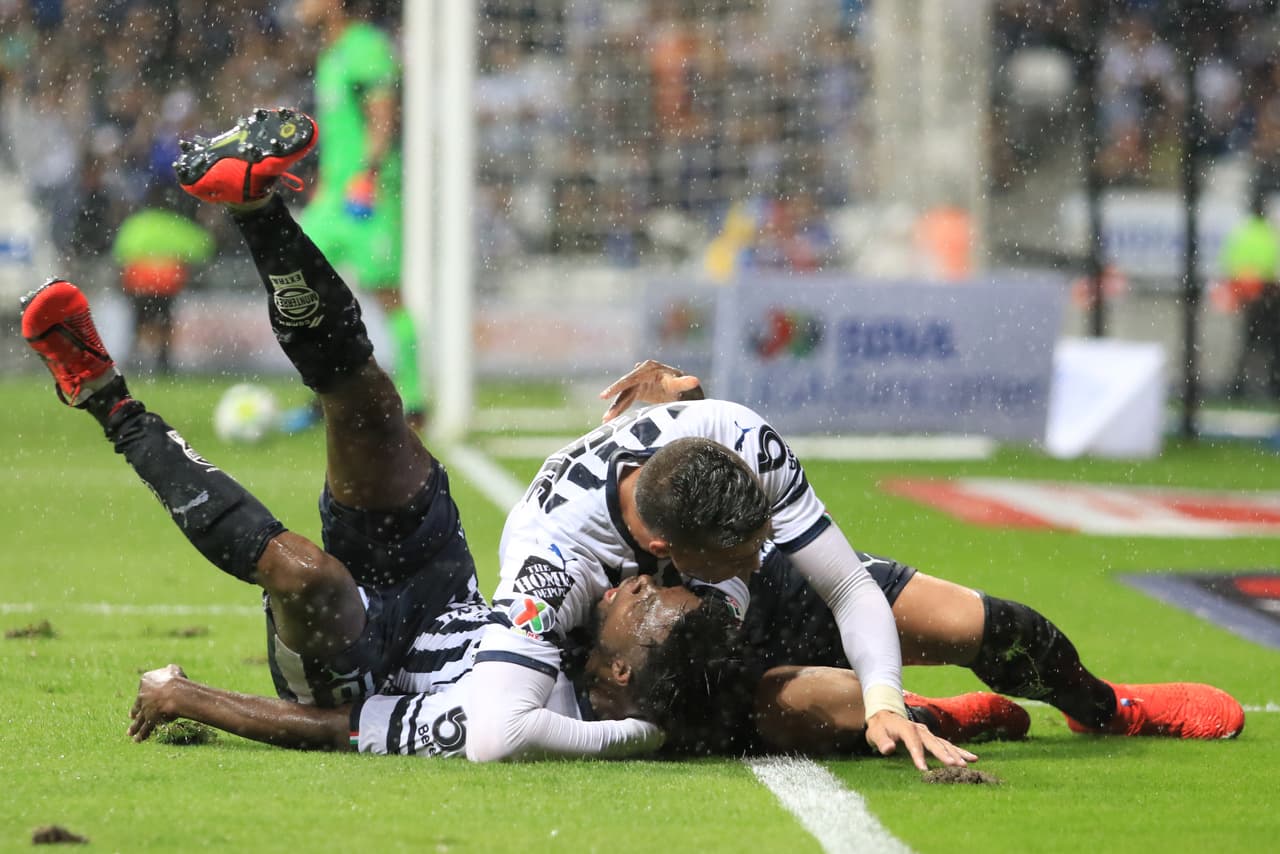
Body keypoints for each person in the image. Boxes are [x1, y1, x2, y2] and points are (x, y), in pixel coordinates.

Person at [21, 106, 991, 766]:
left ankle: (102, 394)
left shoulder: (525, 704)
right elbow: (793, 686)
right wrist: (901, 704)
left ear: (615, 674)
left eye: (650, 604)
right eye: (659, 584)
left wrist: (194, 694)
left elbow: (338, 722)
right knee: (368, 408)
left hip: (359, 663)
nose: (642, 586)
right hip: (435, 585)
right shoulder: (582, 616)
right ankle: (254, 207)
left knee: (302, 573)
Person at [462, 359, 1245, 764]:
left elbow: (842, 583)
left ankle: (1106, 708)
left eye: (765, 534)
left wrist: (881, 696)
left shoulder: (734, 433)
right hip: (686, 673)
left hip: (735, 597)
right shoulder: (552, 561)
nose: (765, 553)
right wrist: (644, 738)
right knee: (773, 709)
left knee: (995, 625)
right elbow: (498, 732)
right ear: (664, 553)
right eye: (744, 550)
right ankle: (931, 718)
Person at [287, 0, 425, 432]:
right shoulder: (331, 53)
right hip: (334, 196)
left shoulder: (365, 46)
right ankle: (330, 391)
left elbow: (383, 118)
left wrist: (366, 175)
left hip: (367, 194)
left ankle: (415, 401)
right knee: (295, 282)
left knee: (386, 293)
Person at [111, 182, 215, 374]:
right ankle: (163, 360)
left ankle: (135, 358)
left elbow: (121, 252)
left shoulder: (136, 224)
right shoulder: (176, 224)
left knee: (139, 321)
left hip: (138, 283)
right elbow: (203, 247)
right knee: (164, 321)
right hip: (166, 283)